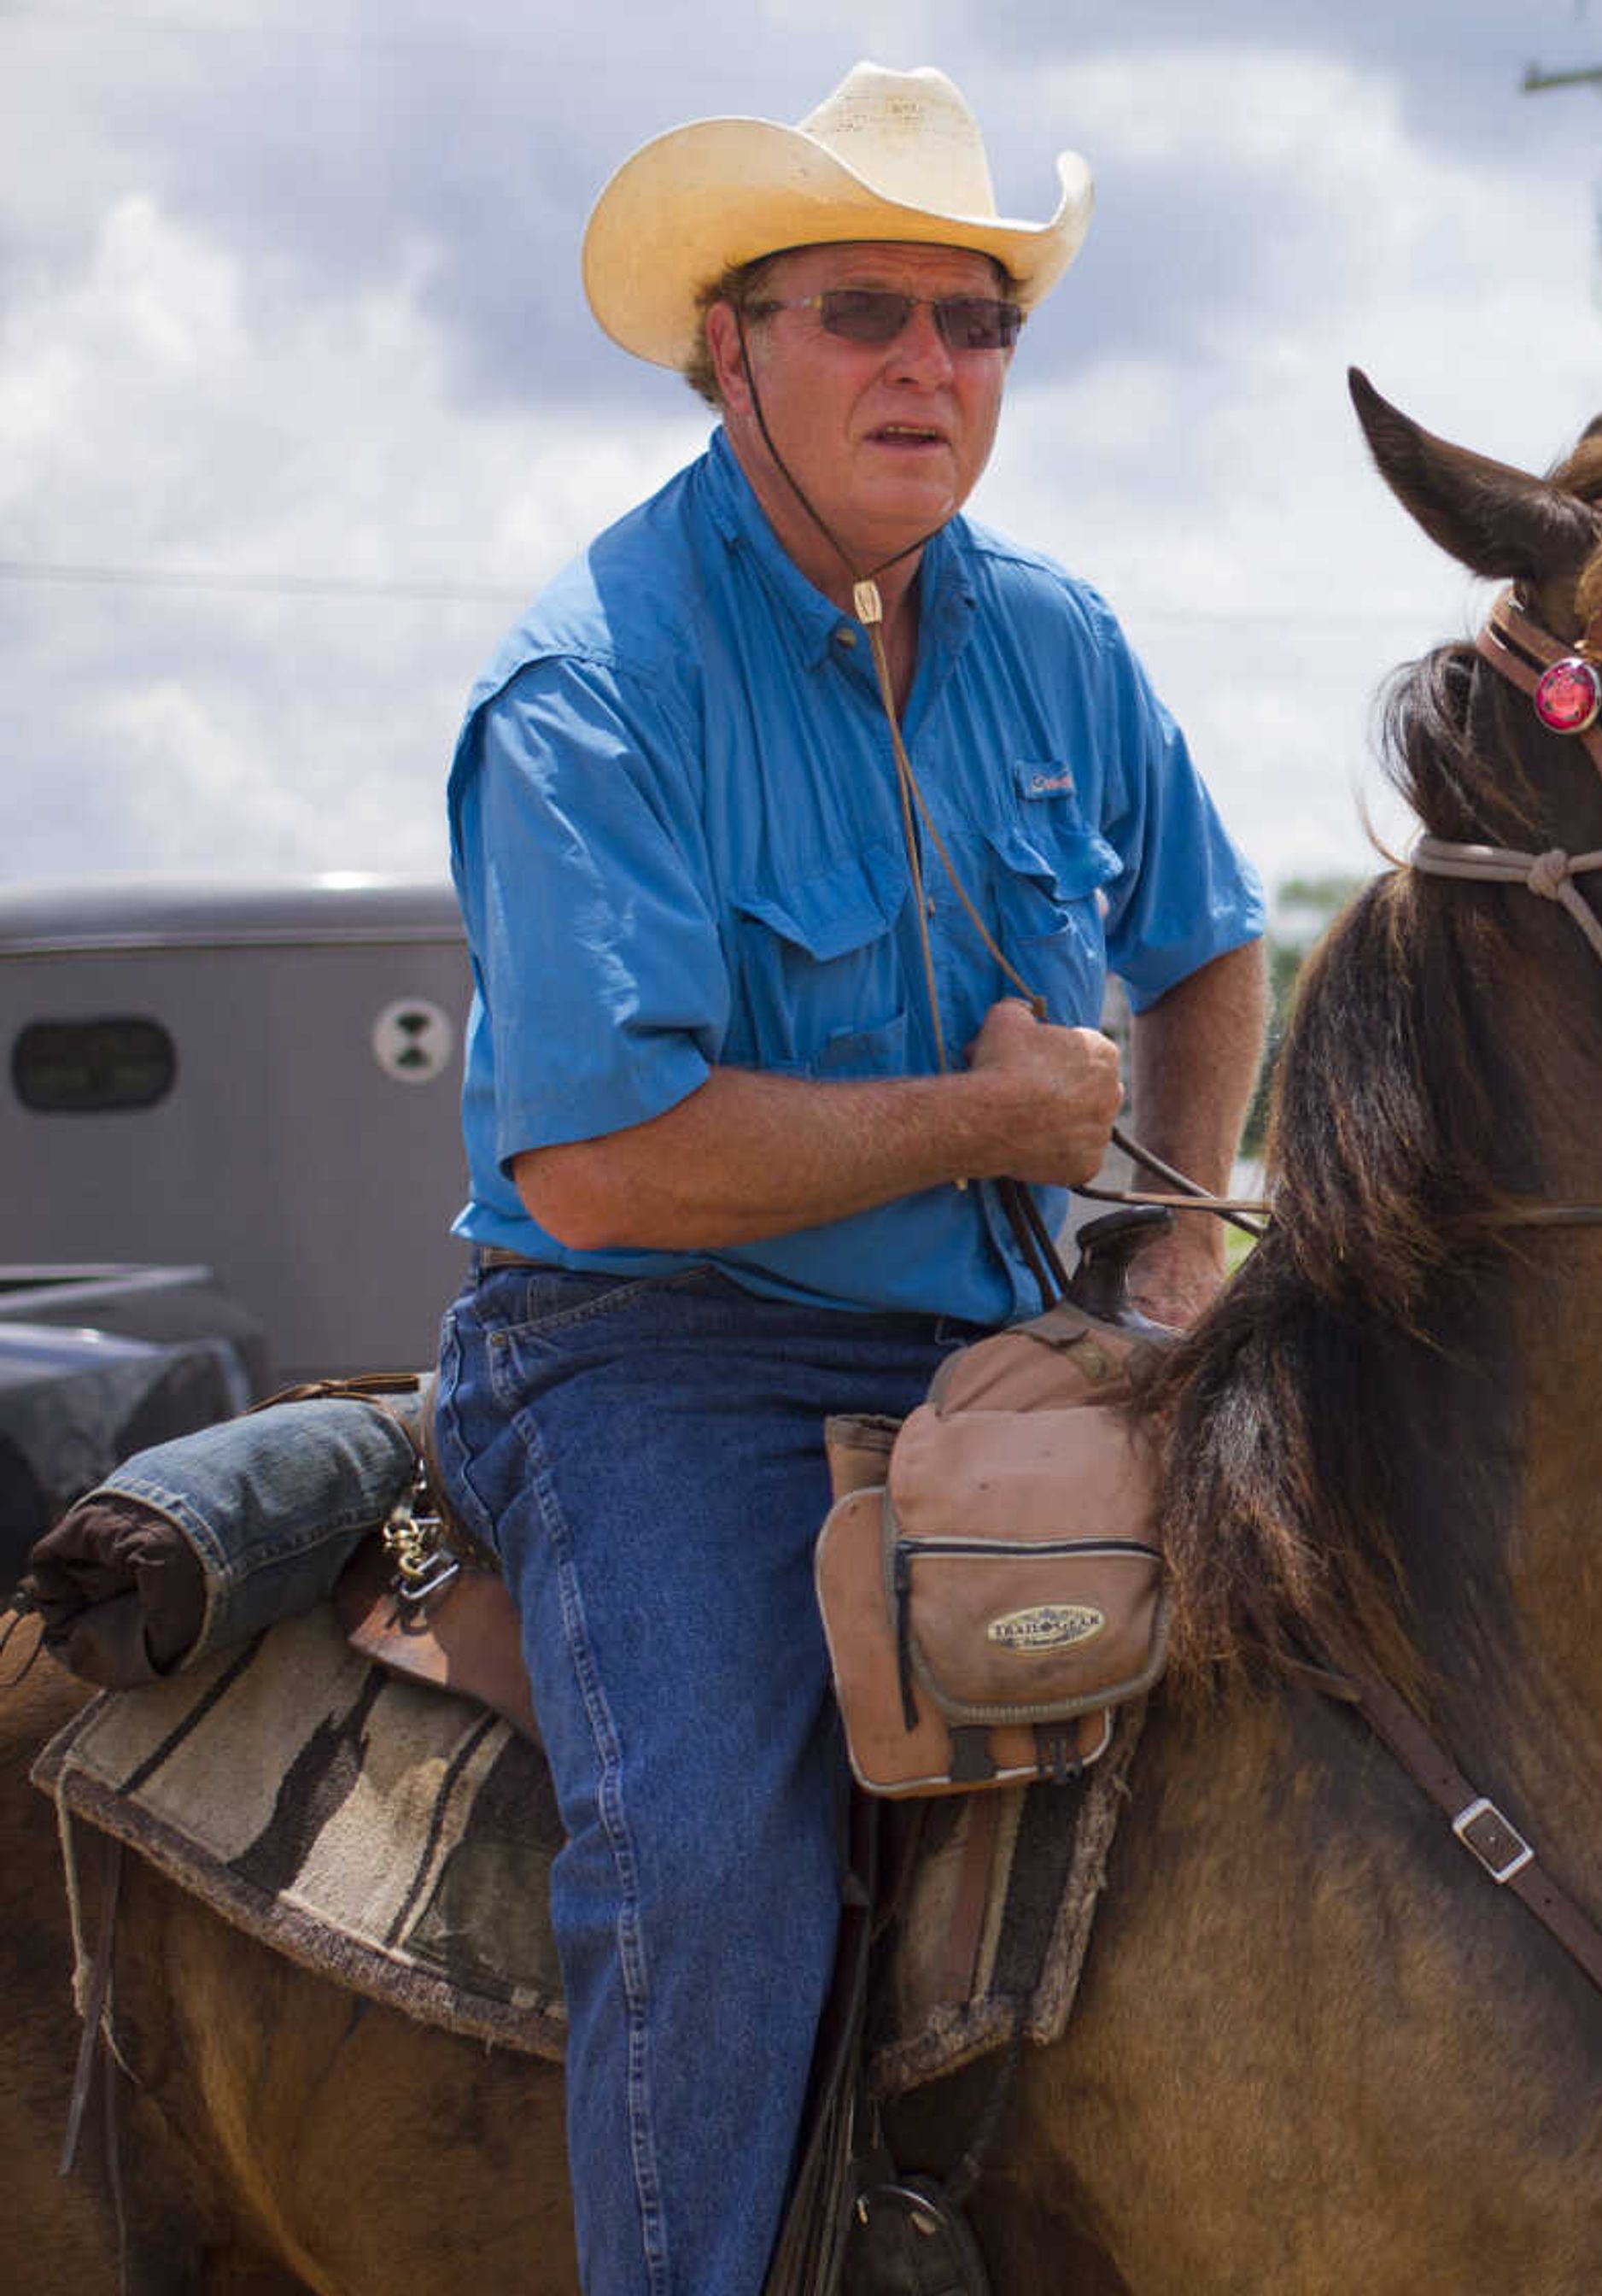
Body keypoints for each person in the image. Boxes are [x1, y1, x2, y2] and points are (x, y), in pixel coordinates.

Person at [430, 62, 1267, 2295]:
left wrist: (1175, 1237)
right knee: (710, 1848)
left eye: (976, 319)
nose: (929, 364)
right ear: (732, 346)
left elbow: (1212, 941)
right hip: (646, 1358)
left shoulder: (1062, 645)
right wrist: (993, 1127)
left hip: (999, 1344)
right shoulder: (590, 689)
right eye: (862, 311)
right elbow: (599, 1172)